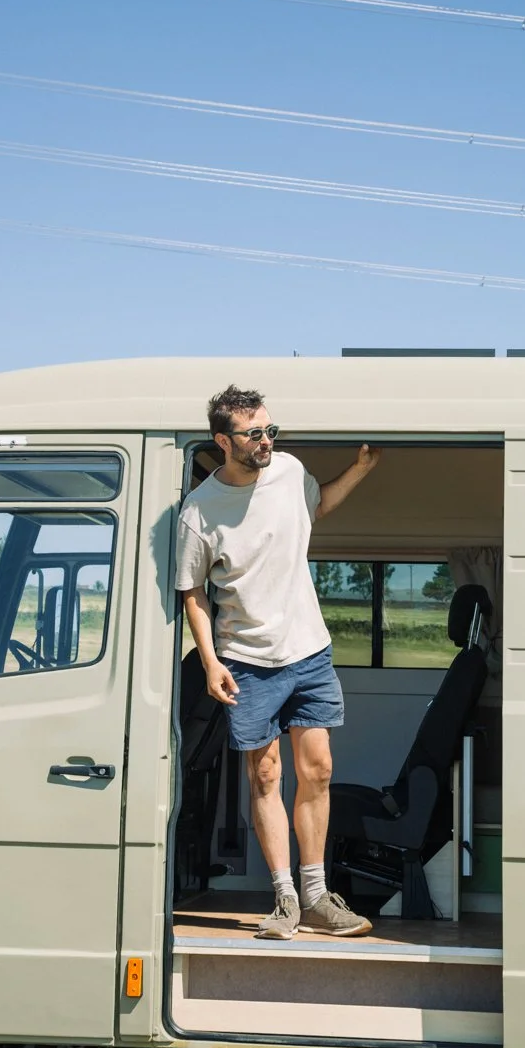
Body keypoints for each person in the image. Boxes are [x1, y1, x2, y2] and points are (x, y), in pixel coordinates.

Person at [175, 384, 380, 940]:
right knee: (266, 775)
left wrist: (361, 469)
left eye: (271, 430)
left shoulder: (289, 471)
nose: (266, 441)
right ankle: (286, 898)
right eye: (254, 434)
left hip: (309, 652)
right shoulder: (200, 510)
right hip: (246, 660)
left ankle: (316, 897)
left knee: (318, 771)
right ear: (223, 440)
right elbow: (192, 592)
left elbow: (319, 506)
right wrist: (212, 662)